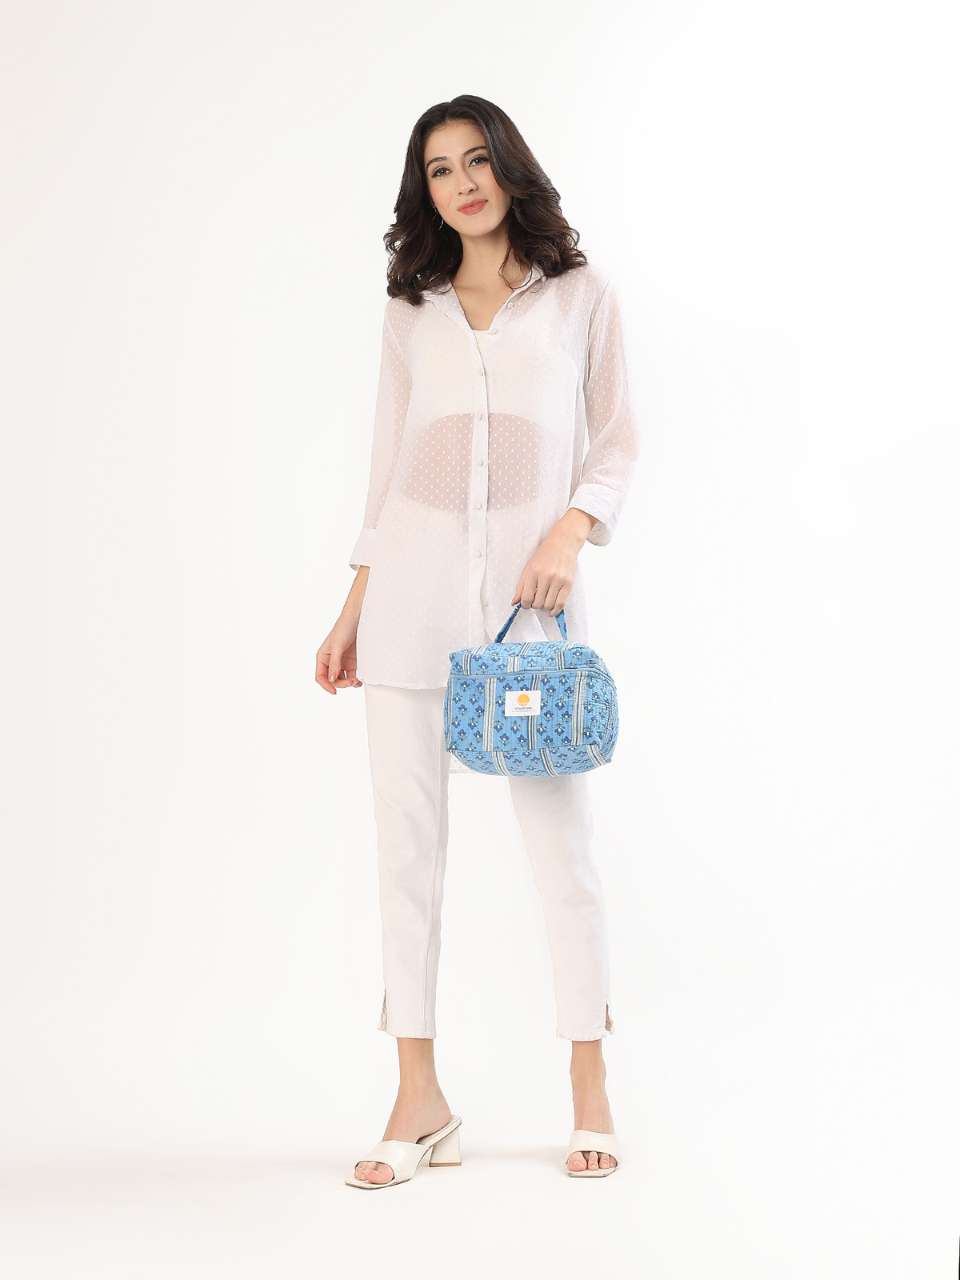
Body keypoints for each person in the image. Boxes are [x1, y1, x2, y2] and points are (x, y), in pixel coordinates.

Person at [315, 95, 639, 1187]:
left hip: (527, 620)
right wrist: (353, 609)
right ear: (427, 190)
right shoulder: (411, 309)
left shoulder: (581, 295)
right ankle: (419, 1097)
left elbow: (617, 442)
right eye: (439, 169)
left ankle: (590, 1081)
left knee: (563, 851)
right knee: (406, 852)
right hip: (409, 605)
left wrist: (569, 531)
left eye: (475, 160)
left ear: (509, 167)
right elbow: (388, 469)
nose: (461, 183)